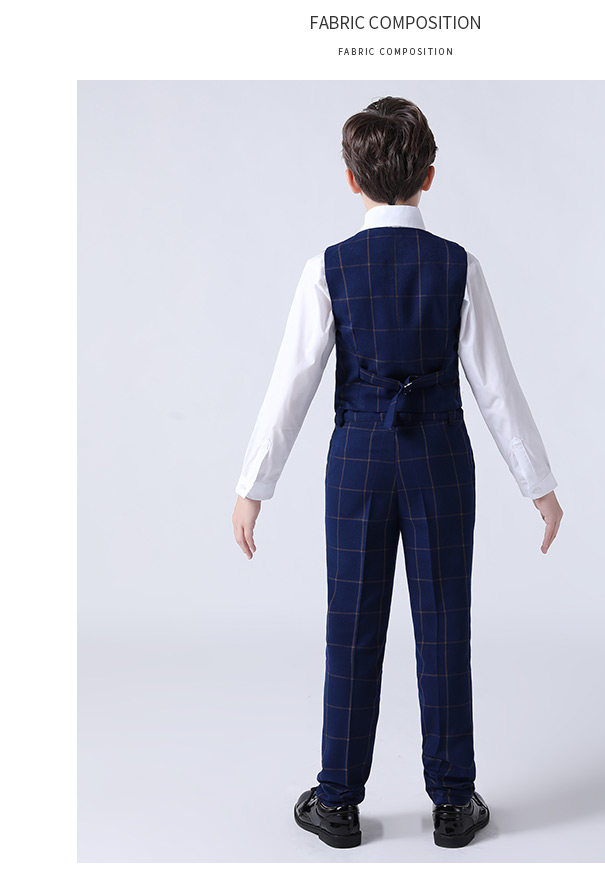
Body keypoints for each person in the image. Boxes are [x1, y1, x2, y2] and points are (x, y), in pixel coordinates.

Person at [232, 97, 563, 849]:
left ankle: (338, 803)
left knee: (351, 625)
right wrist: (538, 485)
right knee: (444, 623)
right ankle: (454, 803)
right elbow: (496, 386)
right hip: (440, 455)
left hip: (358, 460)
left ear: (351, 180)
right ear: (430, 176)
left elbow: (291, 386)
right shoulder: (458, 265)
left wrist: (254, 487)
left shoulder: (328, 268)